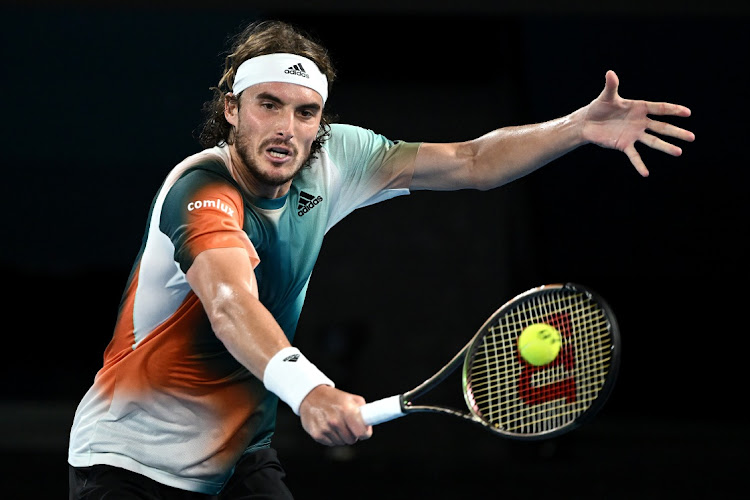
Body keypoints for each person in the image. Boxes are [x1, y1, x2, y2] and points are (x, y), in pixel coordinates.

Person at [67, 19, 694, 499]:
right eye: (268, 105)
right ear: (231, 110)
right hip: (126, 465)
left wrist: (575, 128)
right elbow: (231, 302)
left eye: (305, 110)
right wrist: (310, 390)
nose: (286, 127)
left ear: (320, 123)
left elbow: (473, 161)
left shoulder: (336, 158)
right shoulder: (201, 189)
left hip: (237, 461)